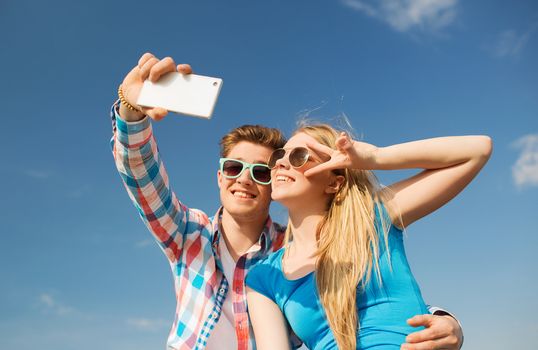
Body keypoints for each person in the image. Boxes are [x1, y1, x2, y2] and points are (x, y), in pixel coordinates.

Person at [111, 52, 465, 350]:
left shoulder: (292, 250)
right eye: (233, 168)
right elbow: (142, 176)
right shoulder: (188, 233)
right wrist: (132, 110)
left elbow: (366, 296)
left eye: (261, 171)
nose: (245, 178)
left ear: (274, 183)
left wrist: (441, 318)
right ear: (219, 176)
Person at [245, 124, 492, 349]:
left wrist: (375, 157)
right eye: (278, 156)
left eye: (299, 156)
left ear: (334, 183)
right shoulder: (263, 277)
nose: (281, 163)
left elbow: (478, 150)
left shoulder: (375, 218)